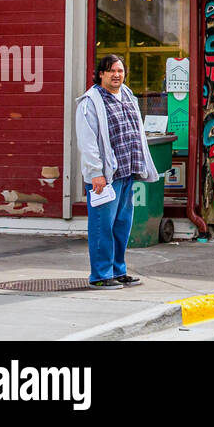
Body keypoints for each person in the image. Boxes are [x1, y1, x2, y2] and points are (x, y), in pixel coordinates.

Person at [74, 54, 160, 290]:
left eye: (120, 70)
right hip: (104, 178)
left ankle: (118, 270)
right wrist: (95, 173)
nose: (116, 75)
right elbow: (88, 142)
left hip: (126, 172)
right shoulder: (90, 103)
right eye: (111, 70)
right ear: (100, 73)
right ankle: (100, 275)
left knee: (122, 225)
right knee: (103, 225)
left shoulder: (128, 96)